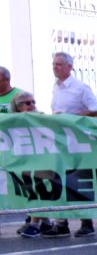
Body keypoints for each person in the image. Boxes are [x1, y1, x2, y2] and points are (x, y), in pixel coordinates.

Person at [46, 53, 97, 237]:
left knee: (79, 182)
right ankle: (62, 223)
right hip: (60, 143)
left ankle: (87, 222)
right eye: (54, 64)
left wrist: (71, 118)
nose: (55, 67)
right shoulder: (56, 87)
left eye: (59, 64)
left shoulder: (80, 88)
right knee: (60, 182)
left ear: (70, 67)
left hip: (78, 144)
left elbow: (95, 110)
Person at [11, 92, 52, 239]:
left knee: (38, 189)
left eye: (34, 102)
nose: (33, 105)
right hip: (25, 161)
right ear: (18, 106)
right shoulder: (12, 121)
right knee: (30, 190)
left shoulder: (41, 117)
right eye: (28, 103)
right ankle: (47, 221)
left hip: (42, 160)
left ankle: (35, 224)